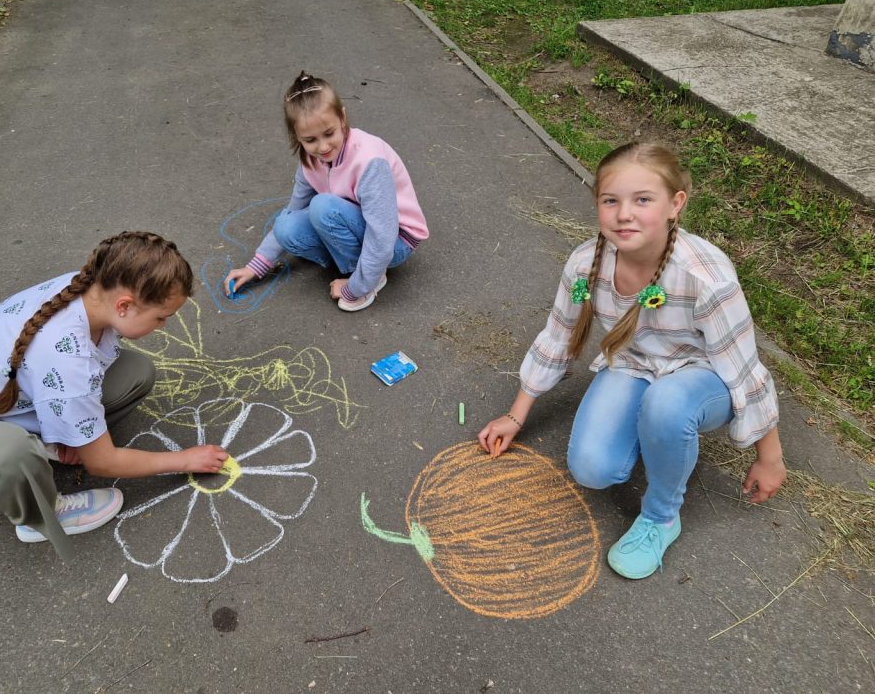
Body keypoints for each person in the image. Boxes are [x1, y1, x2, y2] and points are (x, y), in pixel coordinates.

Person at [477, 142, 786, 580]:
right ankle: (660, 435)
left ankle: (661, 516)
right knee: (592, 468)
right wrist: (515, 414)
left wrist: (769, 457)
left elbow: (743, 370)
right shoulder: (587, 263)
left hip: (703, 379)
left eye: (643, 200)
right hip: (636, 364)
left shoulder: (706, 278)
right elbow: (558, 336)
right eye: (611, 200)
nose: (625, 214)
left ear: (675, 204)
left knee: (667, 405)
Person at [0, 231, 228, 560]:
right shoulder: (66, 361)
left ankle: (54, 438)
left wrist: (73, 430)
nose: (163, 325)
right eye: (161, 317)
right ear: (125, 305)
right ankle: (42, 513)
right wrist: (183, 460)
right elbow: (102, 463)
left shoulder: (89, 288)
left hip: (7, 402)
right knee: (8, 455)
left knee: (134, 373)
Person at [224, 71, 428, 312]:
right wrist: (256, 266)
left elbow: (382, 236)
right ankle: (357, 265)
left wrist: (356, 288)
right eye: (310, 140)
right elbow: (293, 210)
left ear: (342, 118)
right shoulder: (309, 161)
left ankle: (368, 278)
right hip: (354, 224)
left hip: (395, 240)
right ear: (297, 137)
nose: (322, 147)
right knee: (286, 226)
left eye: (329, 134)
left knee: (322, 207)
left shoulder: (369, 162)